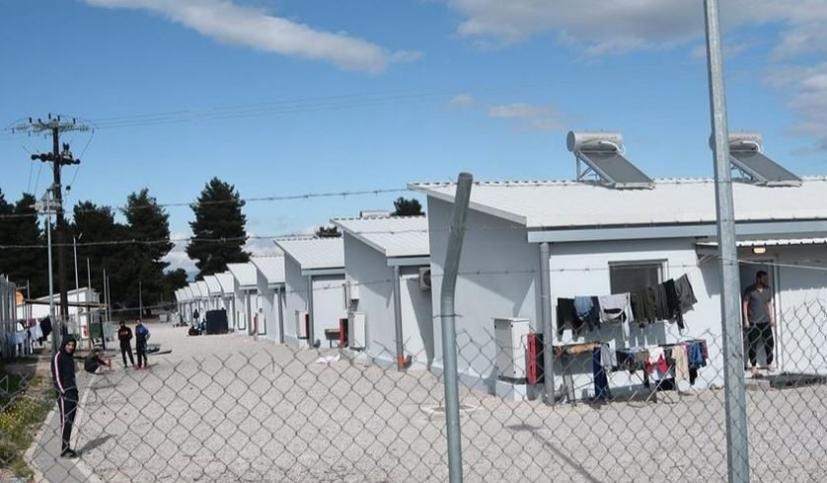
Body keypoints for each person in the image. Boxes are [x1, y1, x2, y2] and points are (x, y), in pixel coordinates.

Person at [743, 270, 775, 374]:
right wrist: (746, 320)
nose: (766, 280)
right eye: (764, 278)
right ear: (758, 279)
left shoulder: (767, 290)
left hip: (765, 321)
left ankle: (769, 363)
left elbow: (769, 304)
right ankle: (753, 366)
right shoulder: (750, 290)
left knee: (770, 343)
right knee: (753, 344)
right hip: (753, 322)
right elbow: (745, 304)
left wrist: (771, 318)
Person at [51, 336, 79, 458]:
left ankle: (67, 446)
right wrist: (63, 392)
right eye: (68, 345)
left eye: (72, 345)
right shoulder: (58, 357)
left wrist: (76, 391)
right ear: (64, 344)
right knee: (65, 420)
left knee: (71, 421)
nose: (70, 347)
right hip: (64, 394)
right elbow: (56, 377)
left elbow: (72, 376)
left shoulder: (70, 357)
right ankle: (64, 449)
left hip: (73, 392)